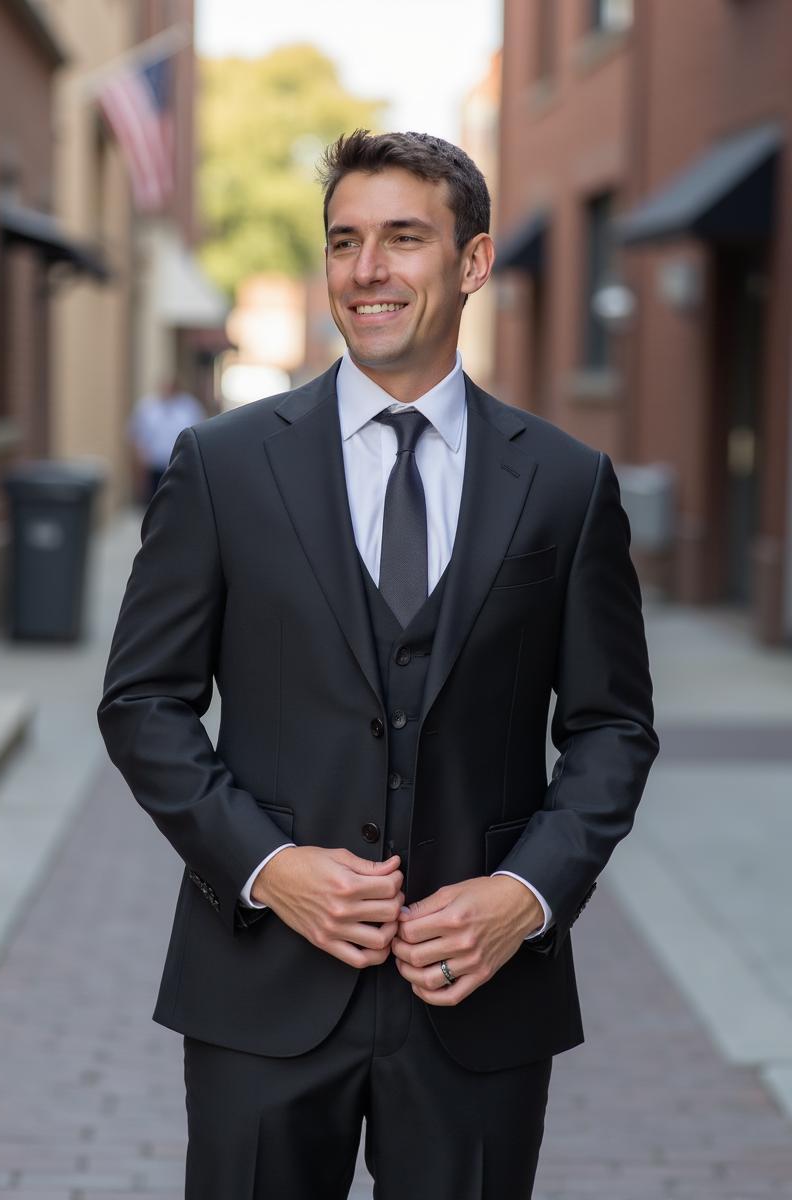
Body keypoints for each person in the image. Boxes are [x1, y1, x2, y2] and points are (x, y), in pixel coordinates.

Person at [98, 130, 658, 1199]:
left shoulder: (563, 483)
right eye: (344, 241)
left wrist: (523, 894)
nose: (366, 270)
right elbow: (142, 704)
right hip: (258, 986)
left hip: (479, 993)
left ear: (473, 262)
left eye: (403, 238)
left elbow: (610, 728)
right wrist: (268, 868)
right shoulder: (221, 466)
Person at [127, 377, 205, 502]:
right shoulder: (147, 407)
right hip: (154, 467)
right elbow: (137, 437)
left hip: (179, 465)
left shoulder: (189, 407)